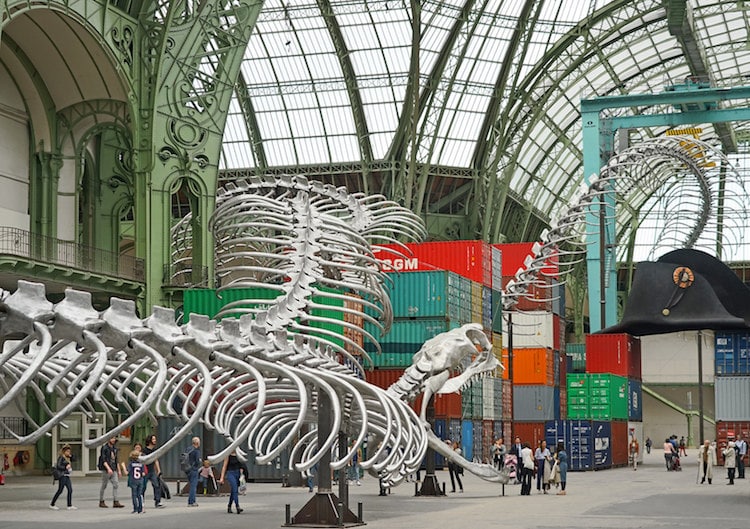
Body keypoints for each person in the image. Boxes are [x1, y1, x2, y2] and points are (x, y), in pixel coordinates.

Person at [219, 450, 248, 514]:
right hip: (230, 473)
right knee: (235, 489)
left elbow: (242, 465)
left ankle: (229, 506)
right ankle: (237, 506)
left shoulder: (239, 455)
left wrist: (242, 474)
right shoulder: (227, 455)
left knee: (233, 491)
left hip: (238, 473)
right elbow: (224, 467)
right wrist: (222, 478)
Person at [99, 436, 125, 508]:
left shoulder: (114, 449)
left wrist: (119, 470)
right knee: (104, 485)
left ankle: (116, 501)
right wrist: (108, 468)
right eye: (112, 438)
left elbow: (116, 460)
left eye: (114, 438)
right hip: (106, 469)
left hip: (113, 469)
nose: (113, 440)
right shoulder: (104, 448)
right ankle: (101, 500)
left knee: (116, 484)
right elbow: (103, 459)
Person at [50, 444, 76, 511]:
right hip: (62, 475)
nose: (68, 453)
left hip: (67, 475)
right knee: (60, 490)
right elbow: (58, 466)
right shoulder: (61, 457)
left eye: (69, 451)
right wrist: (65, 467)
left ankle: (69, 505)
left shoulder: (68, 458)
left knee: (70, 490)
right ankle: (52, 504)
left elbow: (74, 459)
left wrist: (71, 456)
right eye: (67, 451)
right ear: (64, 452)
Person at [142, 434, 164, 508]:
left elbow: (155, 460)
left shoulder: (155, 450)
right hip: (145, 471)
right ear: (150, 440)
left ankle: (157, 501)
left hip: (152, 471)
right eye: (153, 439)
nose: (155, 440)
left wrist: (158, 470)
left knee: (156, 485)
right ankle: (141, 501)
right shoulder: (144, 450)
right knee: (143, 486)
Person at [126, 449, 146, 514]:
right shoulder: (141, 464)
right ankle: (140, 509)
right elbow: (143, 473)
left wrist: (123, 467)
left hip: (133, 480)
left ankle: (135, 508)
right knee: (139, 494)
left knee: (134, 495)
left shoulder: (131, 464)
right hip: (140, 480)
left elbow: (127, 472)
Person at [187, 437, 202, 507]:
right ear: (197, 443)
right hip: (194, 469)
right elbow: (197, 461)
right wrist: (199, 461)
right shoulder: (196, 451)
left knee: (191, 484)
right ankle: (191, 501)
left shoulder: (188, 449)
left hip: (187, 469)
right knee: (193, 486)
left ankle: (191, 501)